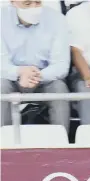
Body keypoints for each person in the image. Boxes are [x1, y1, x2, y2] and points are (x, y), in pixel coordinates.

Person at [1, 0, 71, 131]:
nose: (33, 7)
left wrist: (37, 76)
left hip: (44, 77)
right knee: (1, 88)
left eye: (37, 2)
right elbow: (1, 63)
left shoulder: (56, 19)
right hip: (11, 77)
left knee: (60, 90)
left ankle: (61, 144)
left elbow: (61, 65)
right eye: (27, 4)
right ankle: (4, 143)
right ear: (13, 2)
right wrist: (19, 72)